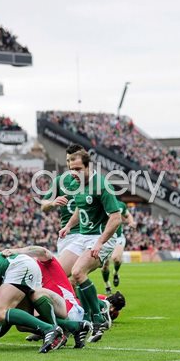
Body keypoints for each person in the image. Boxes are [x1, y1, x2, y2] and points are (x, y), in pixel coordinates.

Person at [58, 144, 121, 340]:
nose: (74, 173)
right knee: (58, 275)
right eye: (71, 169)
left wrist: (100, 243)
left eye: (78, 169)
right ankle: (70, 321)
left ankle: (98, 317)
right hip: (82, 237)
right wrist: (68, 226)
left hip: (101, 238)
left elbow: (116, 218)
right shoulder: (77, 185)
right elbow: (80, 208)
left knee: (78, 272)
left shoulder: (102, 185)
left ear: (88, 167)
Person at [101, 200, 136, 294]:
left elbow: (127, 215)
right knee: (105, 266)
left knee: (116, 258)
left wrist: (131, 222)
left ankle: (115, 273)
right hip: (104, 237)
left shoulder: (121, 205)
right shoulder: (100, 203)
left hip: (118, 237)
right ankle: (107, 284)